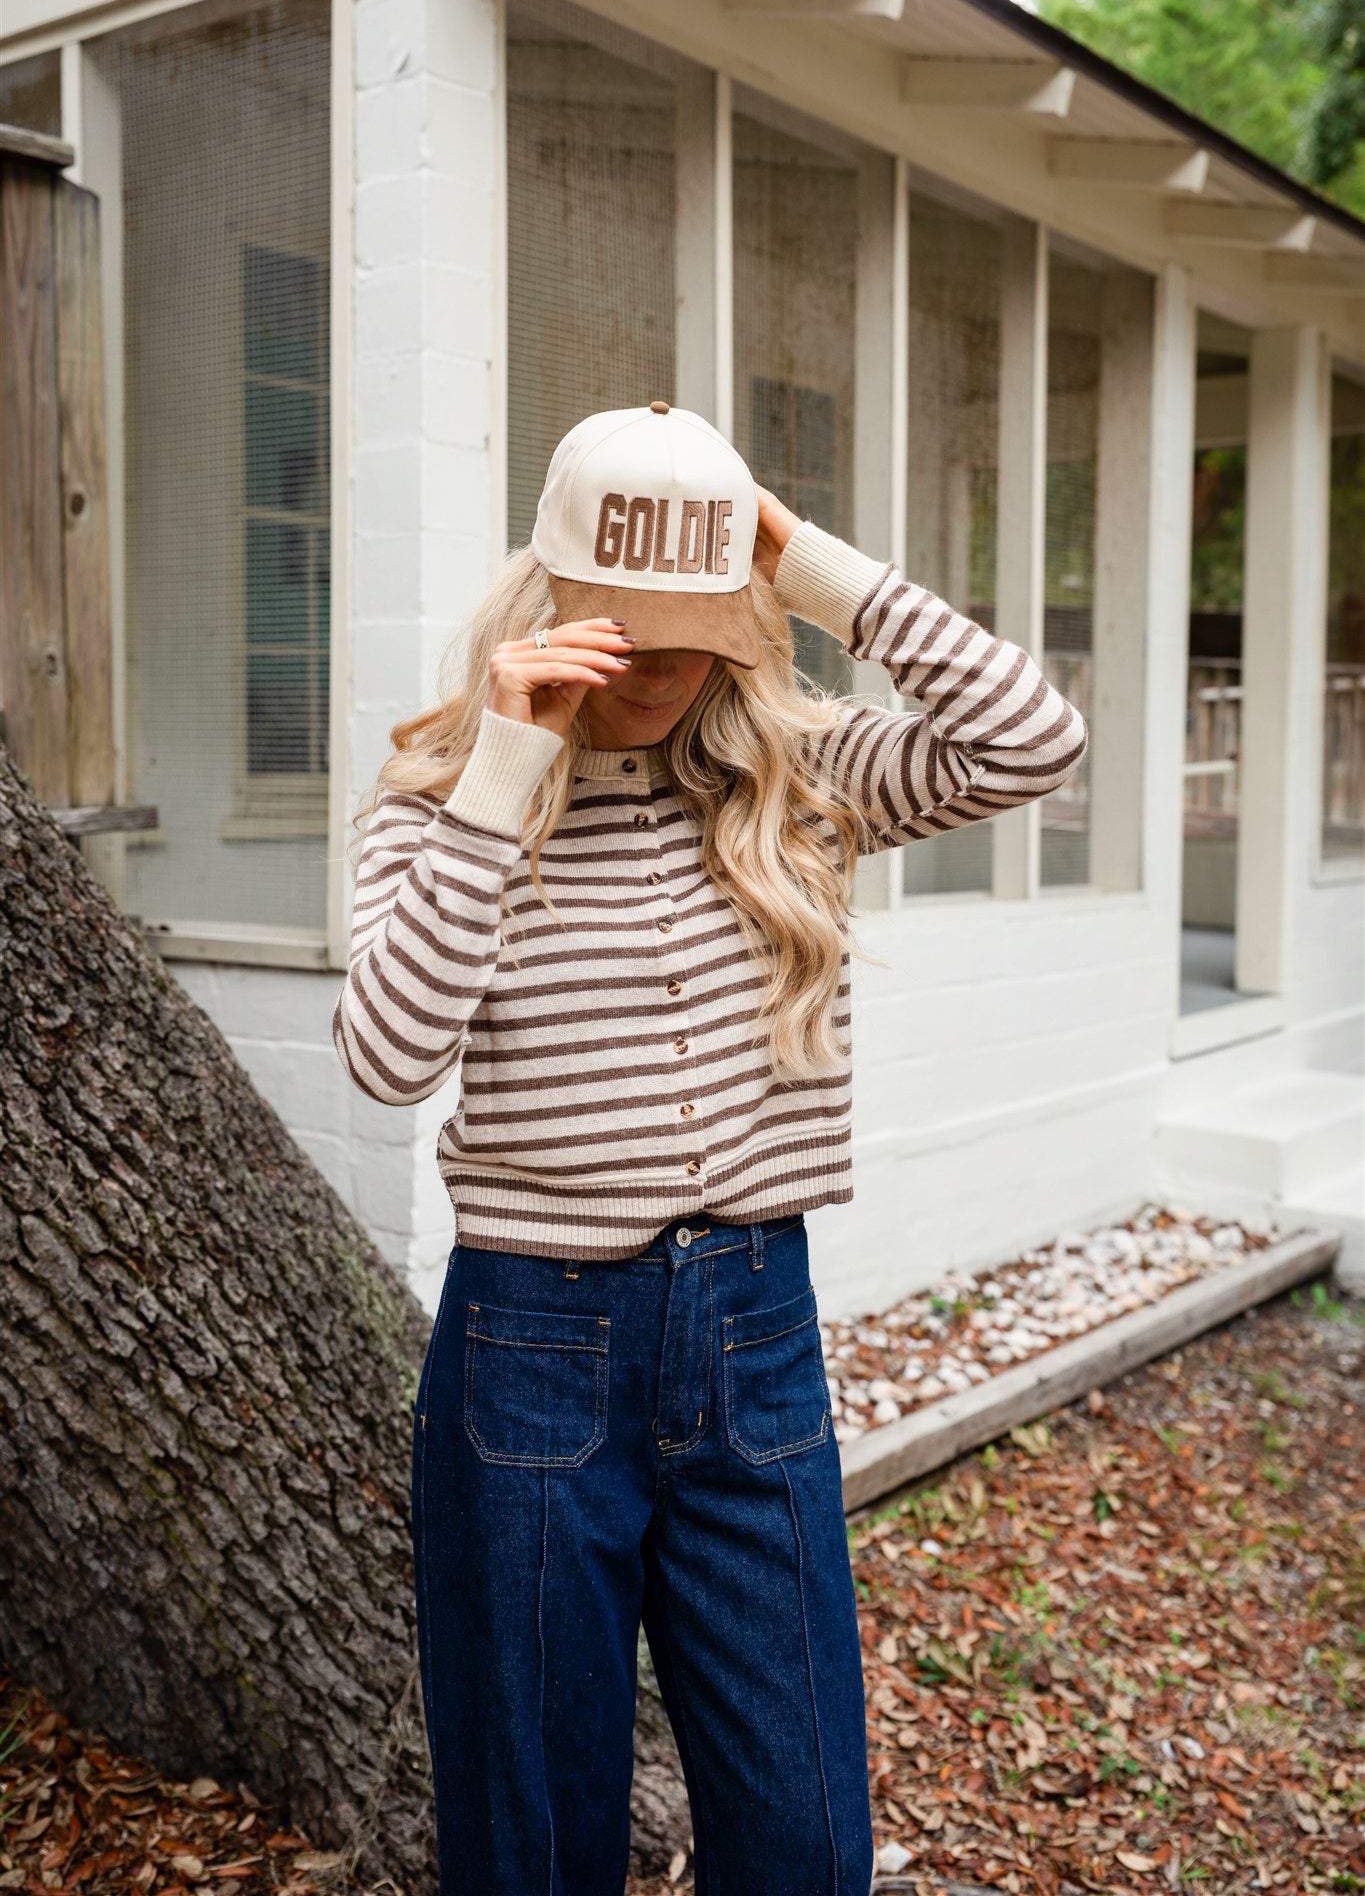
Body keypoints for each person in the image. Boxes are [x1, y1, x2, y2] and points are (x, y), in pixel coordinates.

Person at [332, 400, 1088, 1896]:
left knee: (805, 1838)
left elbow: (1031, 739)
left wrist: (807, 563)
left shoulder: (796, 784)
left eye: (693, 634)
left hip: (753, 1330)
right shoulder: (438, 800)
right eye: (625, 632)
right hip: (529, 1344)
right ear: (549, 604)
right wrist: (500, 765)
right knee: (534, 1840)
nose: (661, 672)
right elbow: (385, 1061)